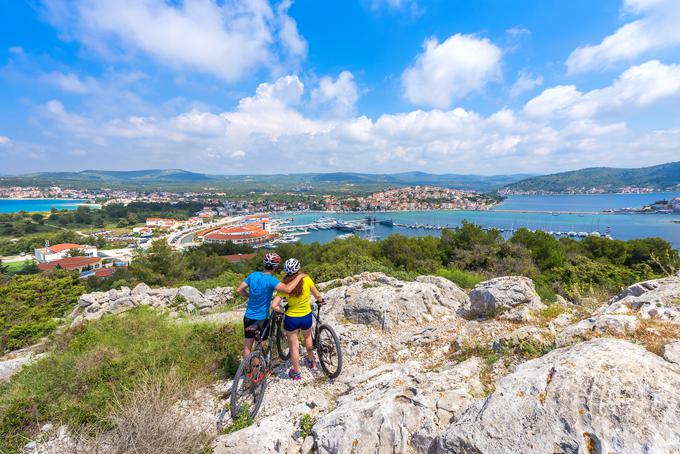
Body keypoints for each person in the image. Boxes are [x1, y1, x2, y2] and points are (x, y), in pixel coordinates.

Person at [236, 252, 306, 359]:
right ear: (276, 267)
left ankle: (247, 372)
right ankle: (256, 373)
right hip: (261, 319)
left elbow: (239, 290)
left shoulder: (253, 275)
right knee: (259, 346)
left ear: (264, 264)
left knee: (247, 346)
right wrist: (299, 276)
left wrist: (249, 295)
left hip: (248, 317)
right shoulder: (271, 280)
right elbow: (287, 289)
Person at [271, 258, 324, 381]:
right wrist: (320, 301)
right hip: (306, 316)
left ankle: (296, 372)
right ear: (298, 269)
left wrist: (283, 311)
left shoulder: (284, 285)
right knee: (308, 337)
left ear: (286, 270)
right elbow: (317, 295)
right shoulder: (306, 279)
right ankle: (311, 361)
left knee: (294, 346)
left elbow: (274, 306)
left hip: (291, 319)